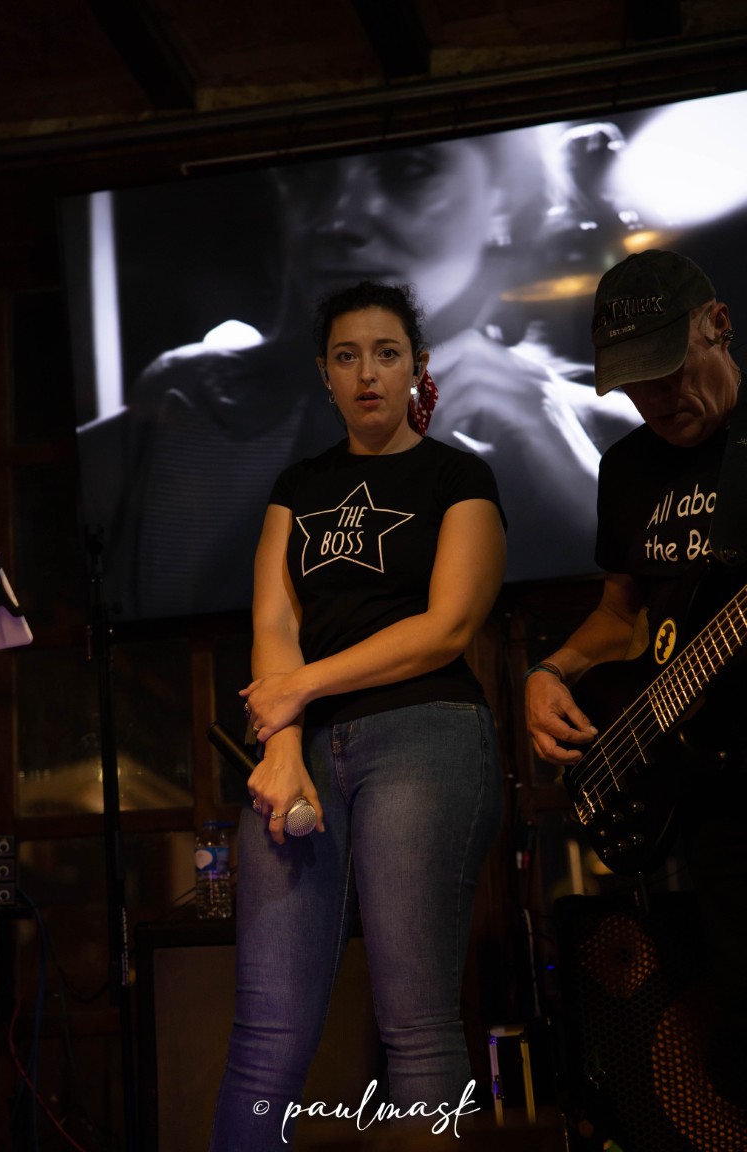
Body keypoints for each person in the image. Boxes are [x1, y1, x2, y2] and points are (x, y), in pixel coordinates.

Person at [77, 126, 640, 621]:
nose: (336, 219)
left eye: (408, 171)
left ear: (505, 200)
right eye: (310, 176)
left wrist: (582, 496)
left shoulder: (608, 436)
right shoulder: (174, 417)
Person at [208, 280, 507, 1150]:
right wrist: (282, 749)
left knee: (416, 1026)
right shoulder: (297, 485)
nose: (367, 373)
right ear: (325, 375)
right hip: (301, 749)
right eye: (347, 357)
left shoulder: (459, 476)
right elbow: (274, 623)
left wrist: (299, 690)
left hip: (426, 733)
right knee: (264, 1038)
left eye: (386, 353)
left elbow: (446, 628)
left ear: (418, 366)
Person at [525, 248, 747, 1109]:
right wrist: (552, 670)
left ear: (717, 326)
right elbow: (622, 616)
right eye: (637, 385)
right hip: (709, 791)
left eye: (671, 370)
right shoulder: (627, 469)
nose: (658, 399)